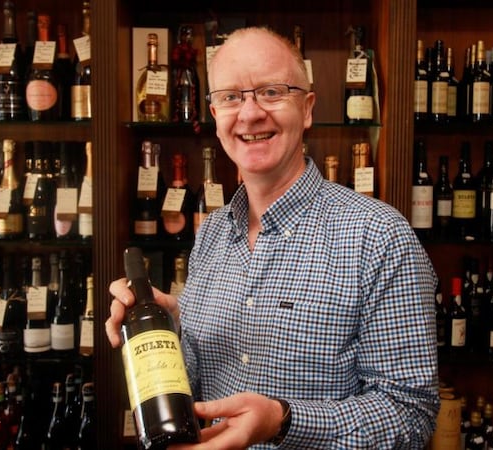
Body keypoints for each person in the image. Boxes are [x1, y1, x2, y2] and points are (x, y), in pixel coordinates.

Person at [106, 26, 439, 449]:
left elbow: (410, 416)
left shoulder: (380, 237)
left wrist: (284, 420)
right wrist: (167, 328)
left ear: (308, 109)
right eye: (230, 97)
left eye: (271, 92)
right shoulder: (211, 233)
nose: (249, 114)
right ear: (215, 114)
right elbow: (198, 379)